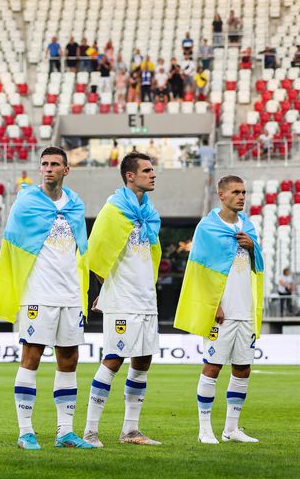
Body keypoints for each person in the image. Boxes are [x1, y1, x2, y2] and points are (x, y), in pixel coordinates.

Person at [0, 146, 95, 450]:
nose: (49, 168)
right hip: (38, 293)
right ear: (40, 169)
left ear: (66, 170)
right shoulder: (26, 203)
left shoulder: (75, 203)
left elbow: (81, 248)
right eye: (45, 164)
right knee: (32, 357)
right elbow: (11, 247)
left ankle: (65, 432)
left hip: (70, 294)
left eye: (55, 164)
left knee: (69, 359)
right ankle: (25, 432)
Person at [82, 153, 162, 448]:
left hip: (145, 299)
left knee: (143, 361)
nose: (153, 175)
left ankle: (130, 430)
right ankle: (90, 431)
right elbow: (96, 253)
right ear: (130, 176)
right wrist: (108, 290)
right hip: (122, 300)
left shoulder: (149, 212)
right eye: (146, 170)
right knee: (113, 360)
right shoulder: (113, 209)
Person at [175, 176, 261, 444]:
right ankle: (204, 429)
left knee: (243, 369)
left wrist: (253, 247)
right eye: (236, 192)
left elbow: (257, 264)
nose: (242, 196)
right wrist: (215, 304)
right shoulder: (208, 227)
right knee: (212, 367)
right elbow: (198, 269)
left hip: (245, 308)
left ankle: (231, 428)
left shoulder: (248, 226)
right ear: (221, 195)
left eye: (244, 192)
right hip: (221, 311)